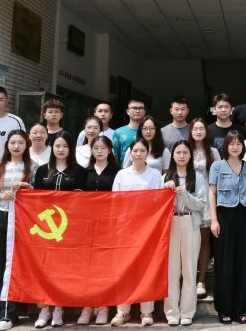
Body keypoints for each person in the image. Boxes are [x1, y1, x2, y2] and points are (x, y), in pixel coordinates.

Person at [32, 131, 86, 329]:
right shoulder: (42, 170)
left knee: (62, 269)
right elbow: (35, 200)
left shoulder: (79, 171)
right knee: (45, 269)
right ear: (52, 148)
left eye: (65, 146)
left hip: (67, 227)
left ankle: (58, 309)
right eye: (57, 146)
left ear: (71, 149)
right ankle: (44, 309)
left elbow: (81, 201)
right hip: (45, 228)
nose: (61, 150)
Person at [0, 130, 35, 331]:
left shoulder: (32, 166)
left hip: (21, 219)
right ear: (7, 145)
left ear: (26, 145)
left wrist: (27, 187)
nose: (16, 146)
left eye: (20, 142)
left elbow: (39, 194)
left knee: (14, 264)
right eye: (13, 142)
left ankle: (10, 314)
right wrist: (0, 196)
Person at [109, 138, 164, 327]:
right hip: (125, 228)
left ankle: (146, 311)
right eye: (135, 151)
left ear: (147, 153)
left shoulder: (155, 175)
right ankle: (122, 311)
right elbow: (115, 201)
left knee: (146, 270)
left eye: (142, 151)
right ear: (130, 153)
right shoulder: (122, 175)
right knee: (124, 270)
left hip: (147, 229)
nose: (138, 154)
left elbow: (159, 201)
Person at [209, 131, 246, 324]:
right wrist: (213, 220)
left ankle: (240, 309)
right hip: (224, 217)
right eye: (231, 143)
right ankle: (224, 308)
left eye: (238, 143)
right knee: (224, 264)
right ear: (226, 146)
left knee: (244, 264)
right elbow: (212, 193)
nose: (235, 147)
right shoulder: (217, 166)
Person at [163, 140, 208, 326]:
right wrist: (165, 191)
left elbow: (201, 204)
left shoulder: (198, 177)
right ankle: (172, 312)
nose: (181, 156)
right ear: (173, 155)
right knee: (171, 270)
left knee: (189, 269)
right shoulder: (165, 177)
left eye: (185, 152)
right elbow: (157, 204)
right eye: (178, 152)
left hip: (190, 222)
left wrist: (184, 194)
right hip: (170, 224)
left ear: (190, 156)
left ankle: (187, 311)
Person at [76, 135, 119, 326]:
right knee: (87, 267)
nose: (99, 151)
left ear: (109, 150)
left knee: (105, 267)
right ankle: (87, 306)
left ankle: (103, 307)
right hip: (87, 225)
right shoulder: (84, 172)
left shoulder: (117, 172)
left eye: (103, 148)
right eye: (96, 148)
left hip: (109, 225)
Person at [189, 118, 220, 298]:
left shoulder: (213, 152)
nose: (199, 132)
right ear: (191, 131)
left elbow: (218, 176)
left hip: (207, 199)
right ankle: (188, 278)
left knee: (204, 240)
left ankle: (201, 280)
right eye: (195, 129)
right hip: (188, 198)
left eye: (202, 128)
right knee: (188, 241)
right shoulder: (185, 149)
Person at [112, 98, 146, 164]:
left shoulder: (149, 132)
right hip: (123, 169)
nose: (137, 111)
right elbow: (115, 157)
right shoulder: (118, 132)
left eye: (141, 108)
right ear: (127, 111)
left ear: (144, 111)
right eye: (134, 108)